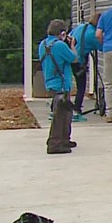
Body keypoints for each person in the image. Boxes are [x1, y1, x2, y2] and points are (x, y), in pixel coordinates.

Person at [39, 19, 77, 154]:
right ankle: (54, 143)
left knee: (66, 112)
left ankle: (64, 139)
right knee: (60, 115)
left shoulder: (43, 44)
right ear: (62, 33)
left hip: (51, 82)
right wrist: (71, 45)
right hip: (61, 84)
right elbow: (74, 58)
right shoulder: (60, 45)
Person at [69, 13, 101, 122]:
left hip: (70, 56)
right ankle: (76, 110)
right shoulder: (93, 34)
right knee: (81, 86)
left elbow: (70, 36)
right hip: (79, 61)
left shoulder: (80, 27)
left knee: (67, 84)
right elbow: (101, 47)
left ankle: (55, 108)